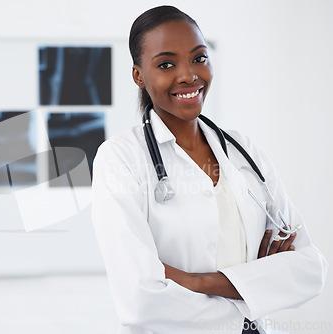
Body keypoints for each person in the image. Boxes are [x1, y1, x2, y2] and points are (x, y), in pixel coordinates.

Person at [91, 5, 327, 334]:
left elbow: (310, 270)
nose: (188, 75)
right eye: (166, 64)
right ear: (138, 75)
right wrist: (256, 286)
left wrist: (194, 280)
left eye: (199, 58)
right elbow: (140, 301)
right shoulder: (121, 158)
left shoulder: (245, 152)